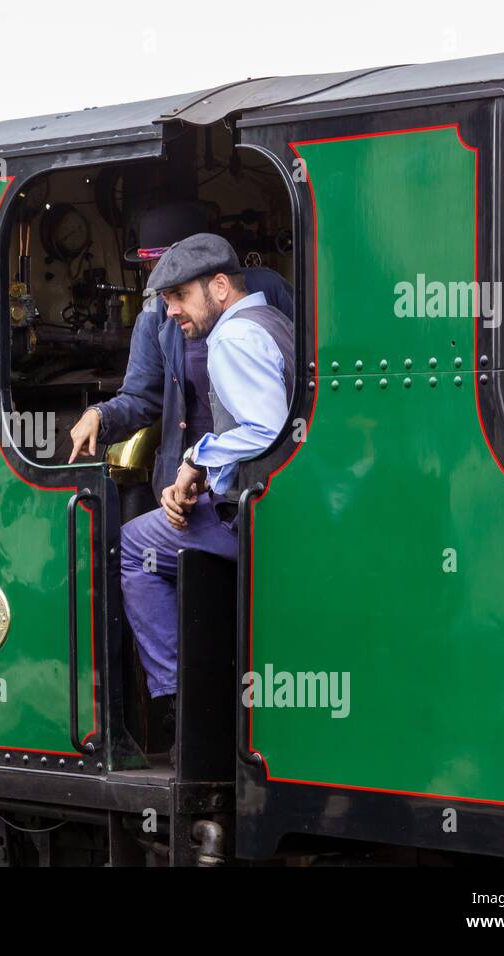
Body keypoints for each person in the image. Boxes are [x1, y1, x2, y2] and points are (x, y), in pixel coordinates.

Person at [119, 234, 294, 759]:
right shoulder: (275, 322)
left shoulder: (232, 338)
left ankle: (179, 704)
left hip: (257, 523)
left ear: (219, 286)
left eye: (177, 297)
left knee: (132, 545)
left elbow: (265, 431)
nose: (169, 312)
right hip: (276, 512)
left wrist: (196, 459)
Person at [67, 202, 294, 504]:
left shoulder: (267, 289)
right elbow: (141, 397)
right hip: (186, 483)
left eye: (169, 263)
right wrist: (100, 415)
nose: (161, 276)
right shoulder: (154, 315)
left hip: (260, 479)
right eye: (152, 267)